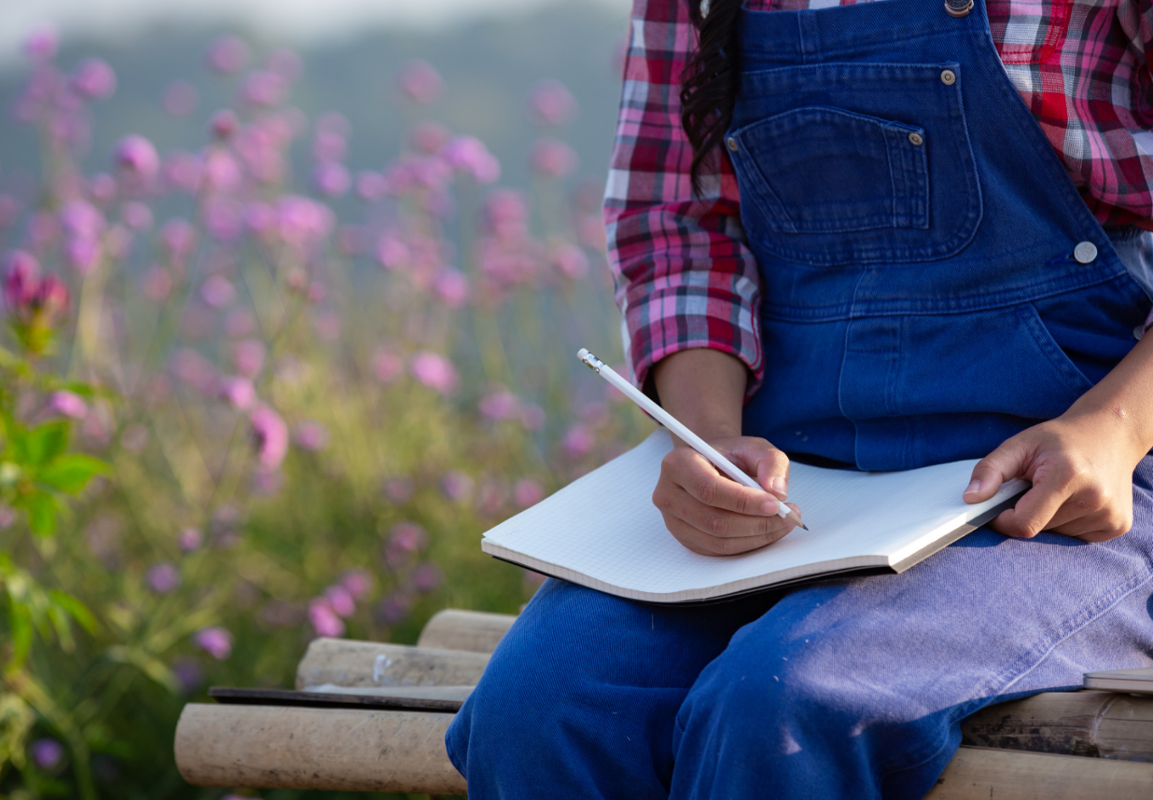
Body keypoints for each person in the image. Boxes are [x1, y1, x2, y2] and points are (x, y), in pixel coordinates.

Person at [446, 0, 1153, 796]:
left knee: (781, 708)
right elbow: (678, 227)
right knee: (541, 705)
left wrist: (1113, 429)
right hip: (792, 481)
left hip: (1069, 493)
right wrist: (709, 441)